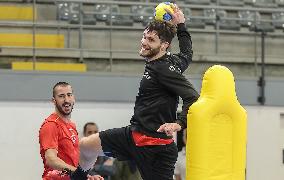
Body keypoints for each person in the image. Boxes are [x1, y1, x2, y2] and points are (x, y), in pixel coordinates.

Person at [78, 5, 199, 180]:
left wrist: (179, 124)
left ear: (164, 45)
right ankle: (79, 178)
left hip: (155, 148)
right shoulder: (170, 61)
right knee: (86, 146)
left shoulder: (165, 69)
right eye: (144, 36)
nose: (144, 42)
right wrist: (181, 25)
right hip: (134, 134)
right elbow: (187, 54)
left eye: (150, 40)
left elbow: (193, 97)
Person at [38, 82, 103, 180]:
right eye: (61, 96)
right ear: (54, 101)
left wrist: (87, 177)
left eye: (69, 95)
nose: (66, 100)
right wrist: (79, 173)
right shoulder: (51, 125)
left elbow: (74, 162)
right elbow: (51, 160)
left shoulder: (71, 126)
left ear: (74, 98)